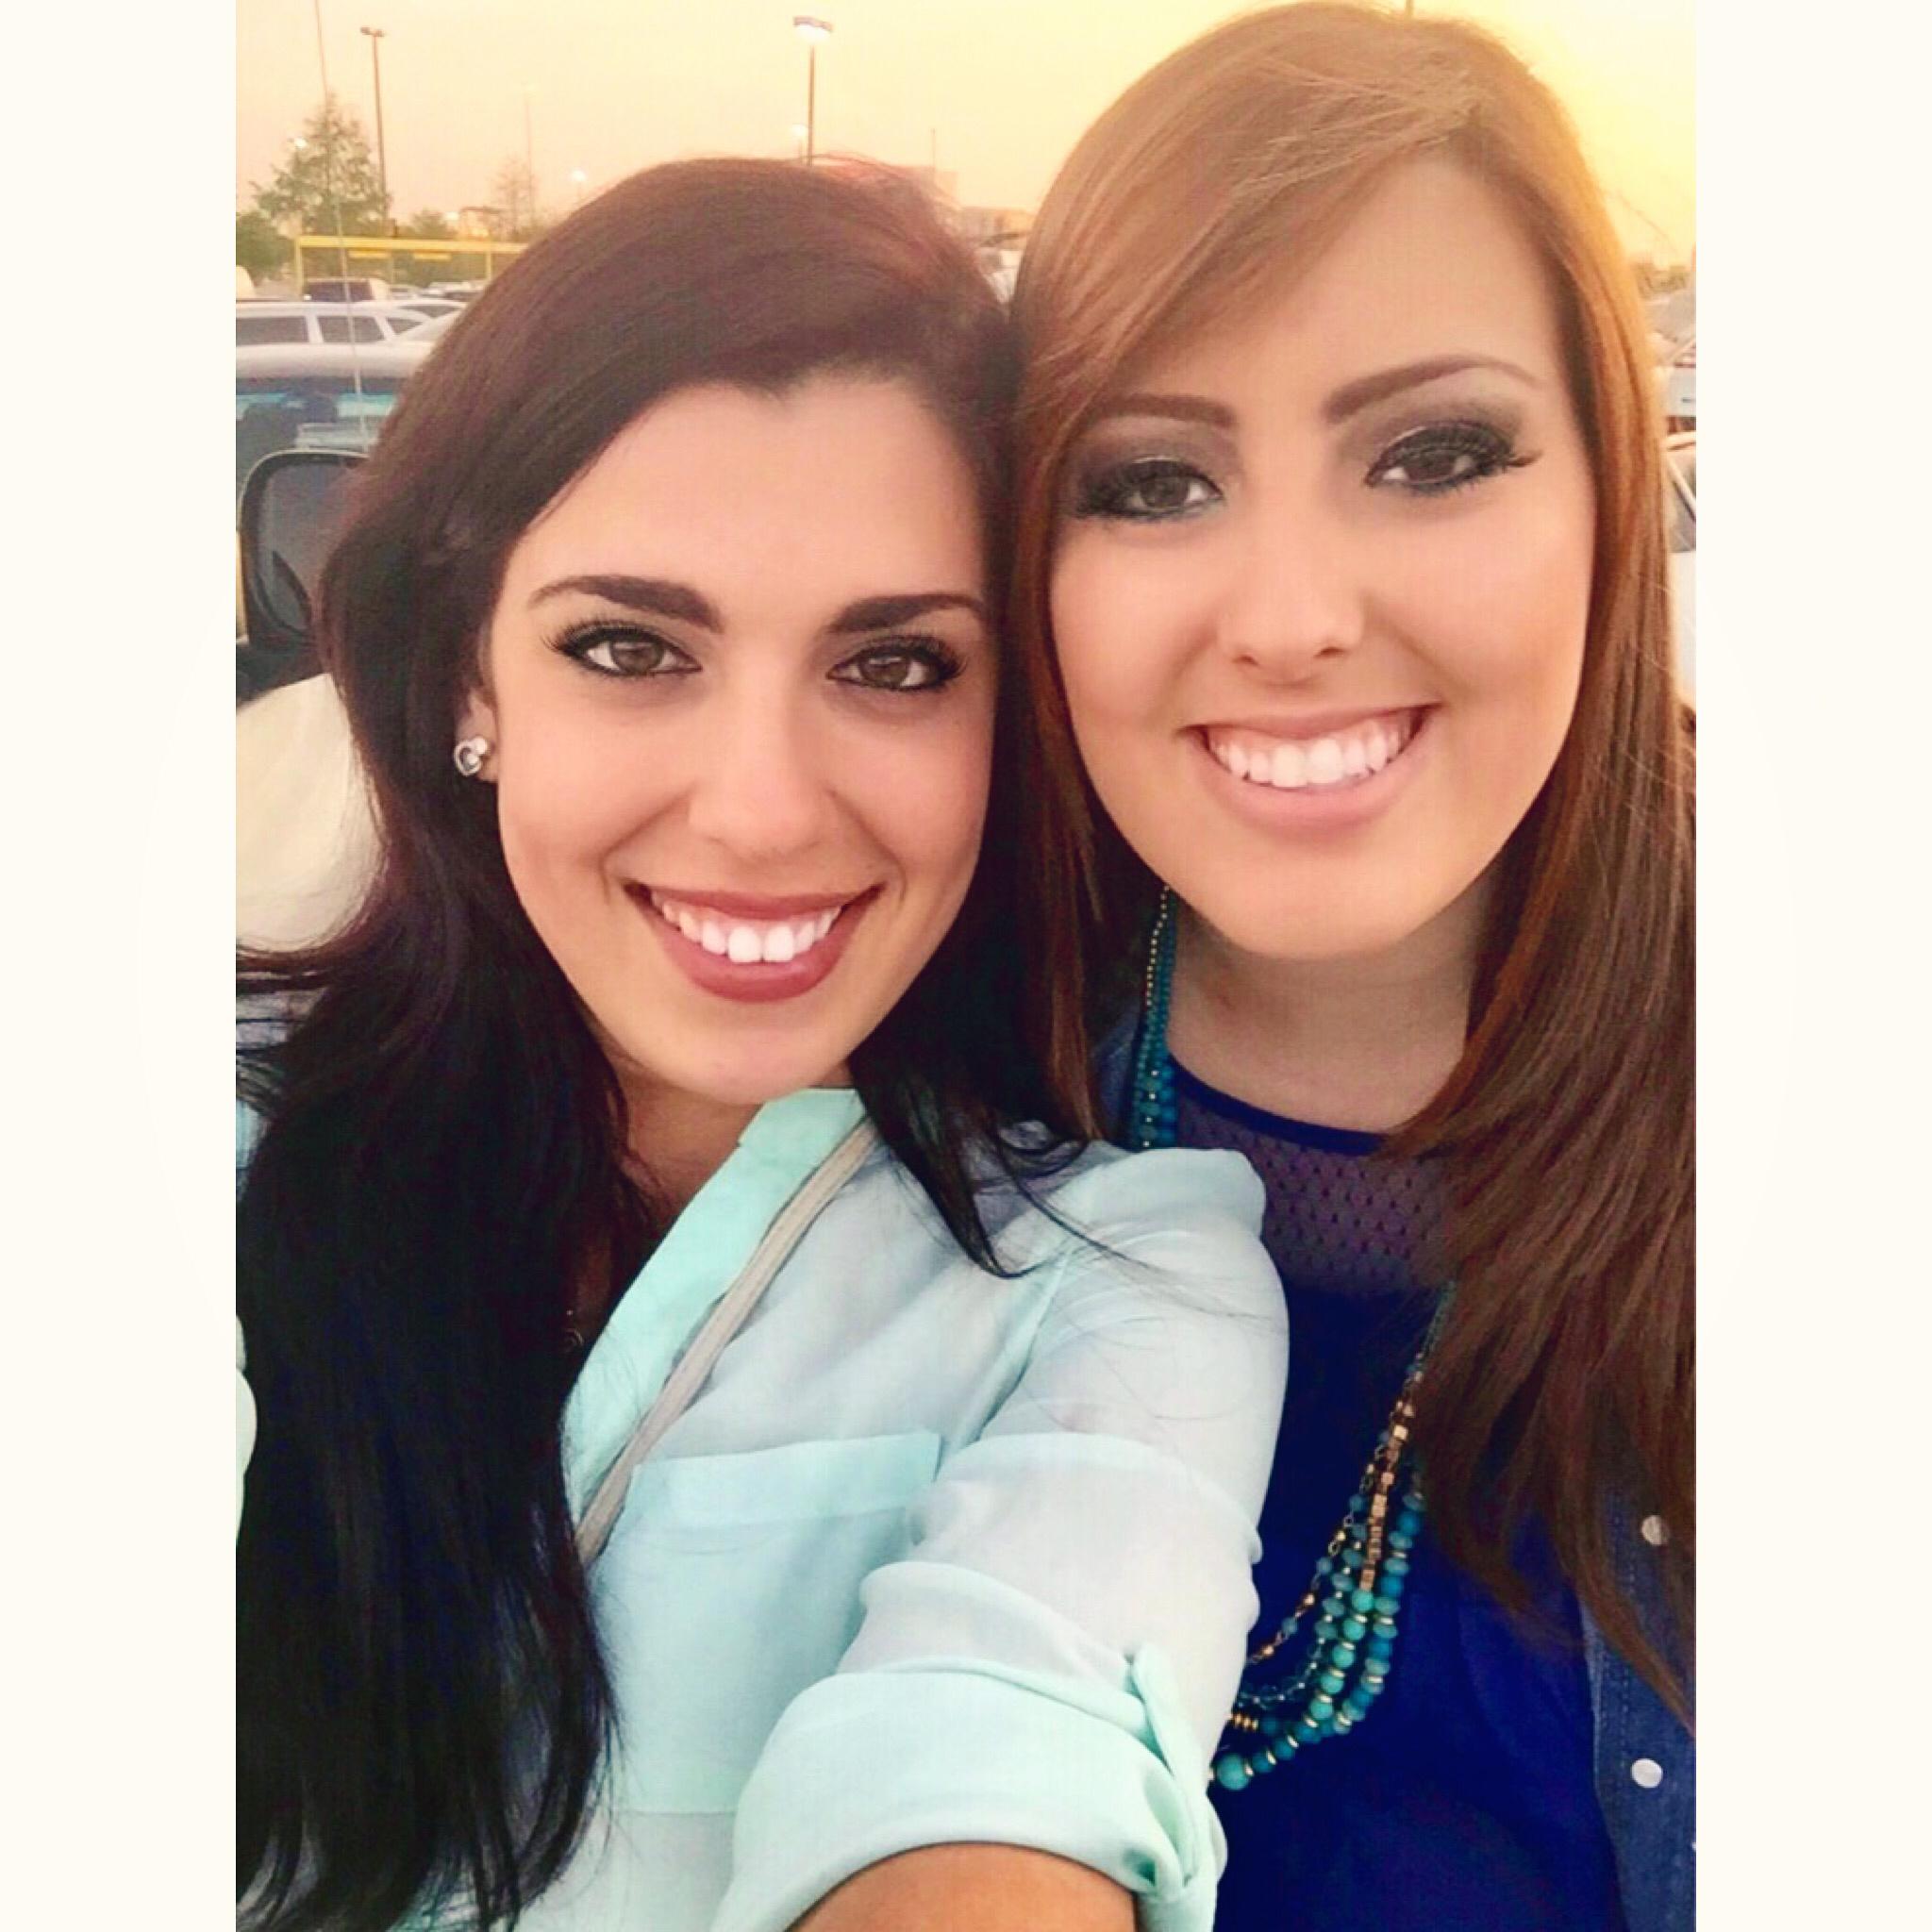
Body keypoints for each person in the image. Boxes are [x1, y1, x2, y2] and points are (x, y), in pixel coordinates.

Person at [236, 158, 1287, 1932]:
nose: (761, 809)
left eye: (895, 668)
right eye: (628, 648)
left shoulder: (1116, 1282)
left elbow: (1009, 1764)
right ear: (472, 677)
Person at [1008, 8, 1693, 1930]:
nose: (1294, 618)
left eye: (1434, 452)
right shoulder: (905, 1094)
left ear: (1609, 496)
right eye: (1153, 481)